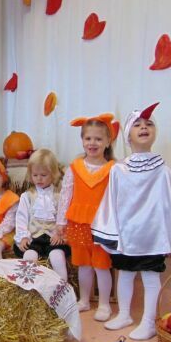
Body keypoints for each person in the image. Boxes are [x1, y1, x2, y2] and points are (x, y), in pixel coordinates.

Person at [92, 103, 171, 340]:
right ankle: (124, 314)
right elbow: (111, 202)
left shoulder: (162, 171)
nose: (144, 127)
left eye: (149, 124)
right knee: (125, 272)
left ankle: (149, 322)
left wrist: (169, 235)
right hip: (127, 234)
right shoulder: (119, 170)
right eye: (137, 125)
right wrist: (110, 231)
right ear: (128, 136)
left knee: (150, 276)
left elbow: (169, 205)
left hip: (152, 236)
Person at [56, 113, 118, 321]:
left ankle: (104, 304)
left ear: (108, 142)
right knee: (83, 264)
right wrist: (61, 222)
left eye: (98, 139)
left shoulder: (114, 169)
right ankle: (84, 300)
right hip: (78, 223)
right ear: (82, 140)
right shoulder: (74, 167)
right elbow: (66, 194)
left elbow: (117, 198)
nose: (93, 143)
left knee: (101, 264)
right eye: (88, 138)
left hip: (102, 225)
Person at [14, 149, 70, 281]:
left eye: (43, 175)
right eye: (35, 175)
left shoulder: (60, 196)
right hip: (33, 238)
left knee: (57, 256)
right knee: (29, 256)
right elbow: (21, 218)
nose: (39, 179)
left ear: (53, 174)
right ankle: (28, 286)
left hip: (53, 238)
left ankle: (63, 286)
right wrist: (23, 237)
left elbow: (64, 218)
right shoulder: (27, 196)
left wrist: (60, 234)